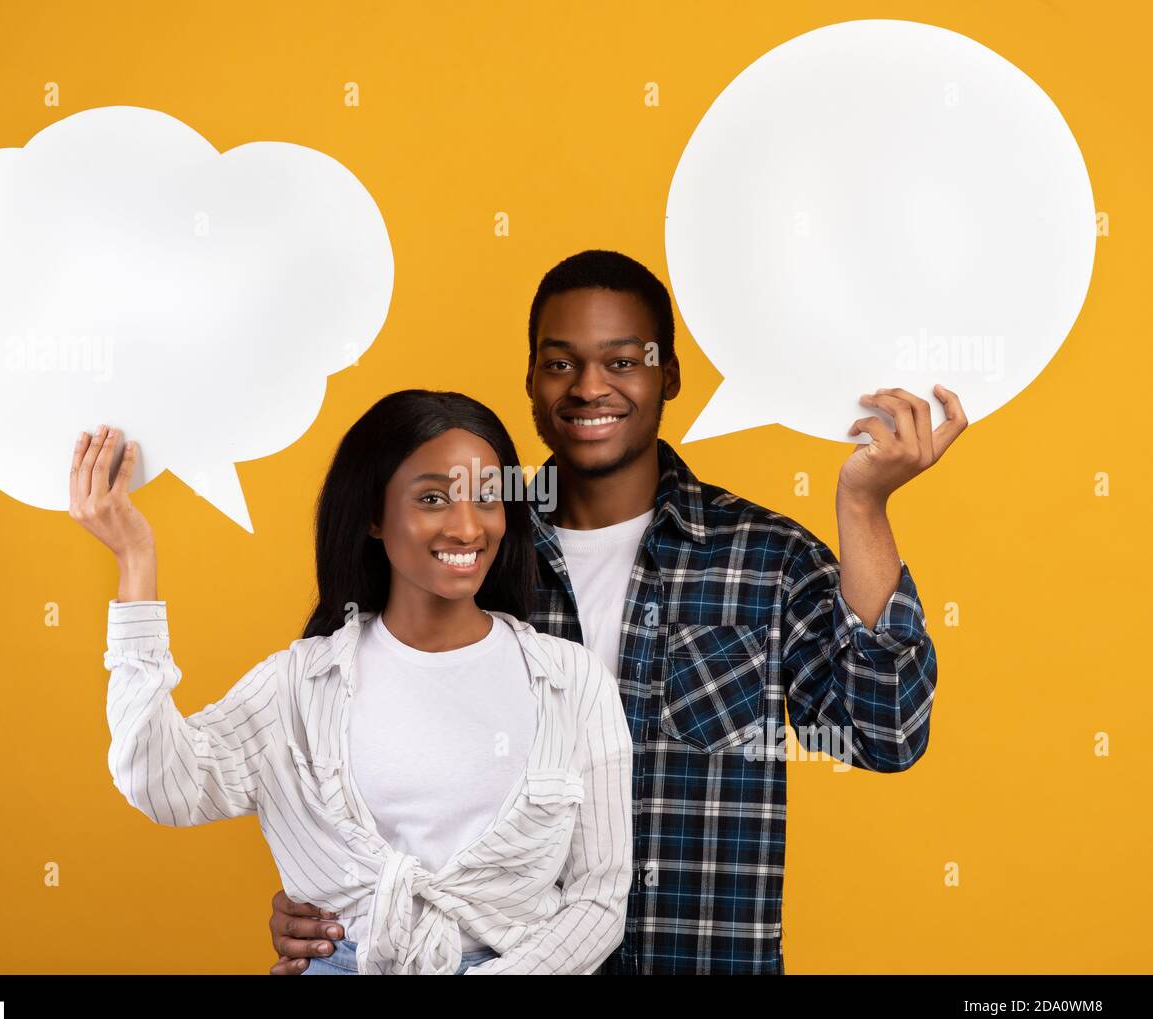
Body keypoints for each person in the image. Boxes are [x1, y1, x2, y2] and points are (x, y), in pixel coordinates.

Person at [269, 249, 966, 974]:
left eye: (623, 361)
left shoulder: (766, 558)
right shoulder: (459, 553)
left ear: (669, 376)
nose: (589, 386)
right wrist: (324, 906)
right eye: (560, 363)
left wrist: (864, 504)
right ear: (532, 383)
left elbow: (884, 734)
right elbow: (342, 759)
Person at [70, 390, 634, 974]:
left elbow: (599, 900)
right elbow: (160, 783)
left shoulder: (572, 680)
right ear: (372, 515)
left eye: (487, 498)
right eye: (433, 498)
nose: (467, 527)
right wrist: (136, 561)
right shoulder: (299, 684)